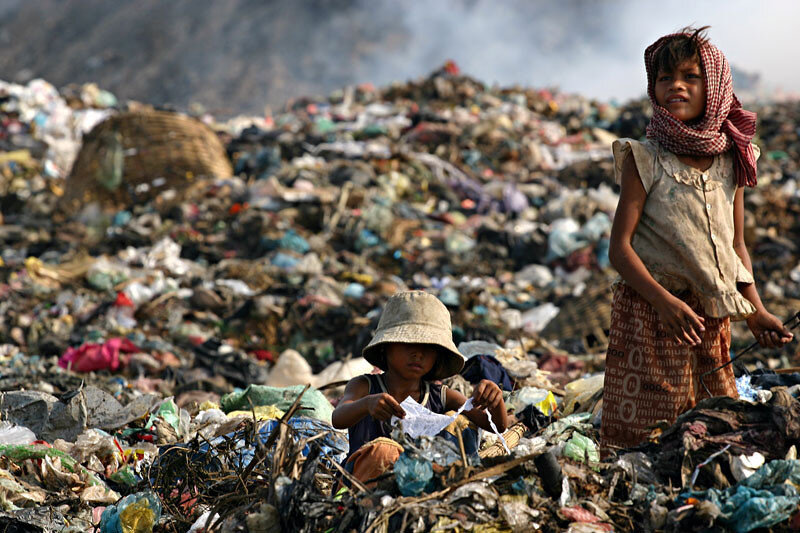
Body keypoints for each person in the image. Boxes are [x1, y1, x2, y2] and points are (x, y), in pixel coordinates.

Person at [600, 26, 794, 454]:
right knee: (645, 444)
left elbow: (735, 248)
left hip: (710, 318)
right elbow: (620, 249)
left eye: (691, 77)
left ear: (716, 85)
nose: (676, 87)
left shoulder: (732, 156)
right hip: (651, 316)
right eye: (665, 79)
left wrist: (756, 311)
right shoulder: (644, 157)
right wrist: (663, 303)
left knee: (713, 432)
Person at [332, 290, 508, 485]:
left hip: (414, 491)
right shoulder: (364, 386)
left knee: (460, 427)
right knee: (384, 451)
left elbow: (497, 426)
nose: (419, 354)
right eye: (409, 343)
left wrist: (495, 399)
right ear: (386, 346)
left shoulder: (441, 396)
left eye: (428, 347)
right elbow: (338, 418)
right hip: (358, 486)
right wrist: (366, 405)